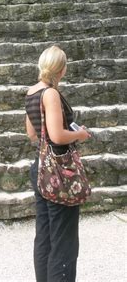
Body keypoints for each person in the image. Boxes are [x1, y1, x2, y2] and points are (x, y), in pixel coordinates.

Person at [25, 45, 91, 282]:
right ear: (61, 69)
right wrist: (79, 134)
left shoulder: (32, 92)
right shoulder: (50, 93)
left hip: (41, 169)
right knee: (64, 241)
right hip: (59, 174)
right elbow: (56, 136)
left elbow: (33, 134)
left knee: (44, 236)